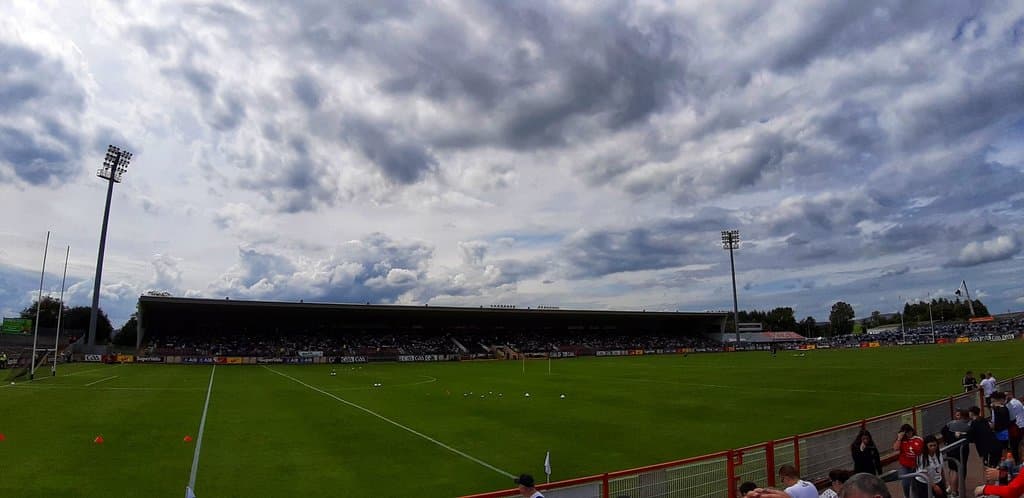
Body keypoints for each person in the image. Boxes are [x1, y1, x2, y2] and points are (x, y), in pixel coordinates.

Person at [942, 408, 971, 496]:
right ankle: (955, 491)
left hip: (950, 448)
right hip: (961, 450)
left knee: (952, 469)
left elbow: (943, 431)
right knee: (958, 469)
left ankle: (952, 489)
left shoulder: (951, 424)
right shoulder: (969, 425)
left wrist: (948, 440)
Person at [894, 424, 924, 498]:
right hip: (905, 466)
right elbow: (895, 448)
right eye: (906, 433)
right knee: (905, 484)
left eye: (909, 432)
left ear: (912, 431)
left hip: (916, 466)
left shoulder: (918, 439)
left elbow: (921, 451)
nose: (908, 434)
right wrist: (899, 438)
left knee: (915, 485)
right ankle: (907, 496)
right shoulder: (901, 440)